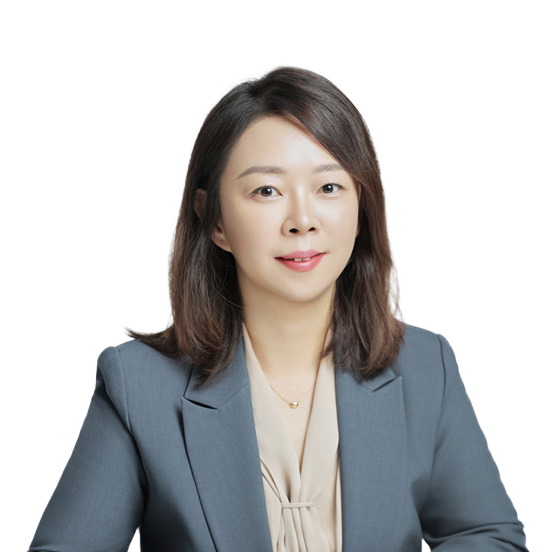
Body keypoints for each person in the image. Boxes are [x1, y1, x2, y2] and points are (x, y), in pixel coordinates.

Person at [28, 66, 529, 552]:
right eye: (266, 190)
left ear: (361, 209)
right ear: (214, 220)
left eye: (329, 187)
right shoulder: (139, 386)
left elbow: (487, 535)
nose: (302, 220)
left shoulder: (425, 365)